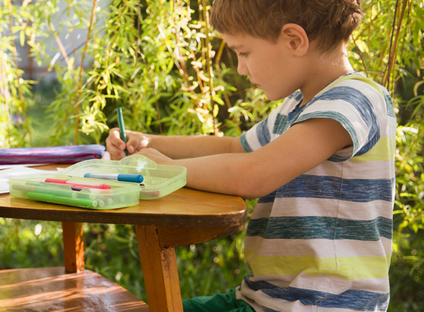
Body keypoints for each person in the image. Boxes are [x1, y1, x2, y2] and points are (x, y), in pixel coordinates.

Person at [106, 0, 394, 311]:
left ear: (294, 41)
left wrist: (168, 168)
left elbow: (252, 174)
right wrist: (148, 142)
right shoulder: (298, 106)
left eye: (244, 52)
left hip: (324, 304)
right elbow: (235, 148)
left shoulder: (354, 101)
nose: (241, 68)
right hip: (268, 297)